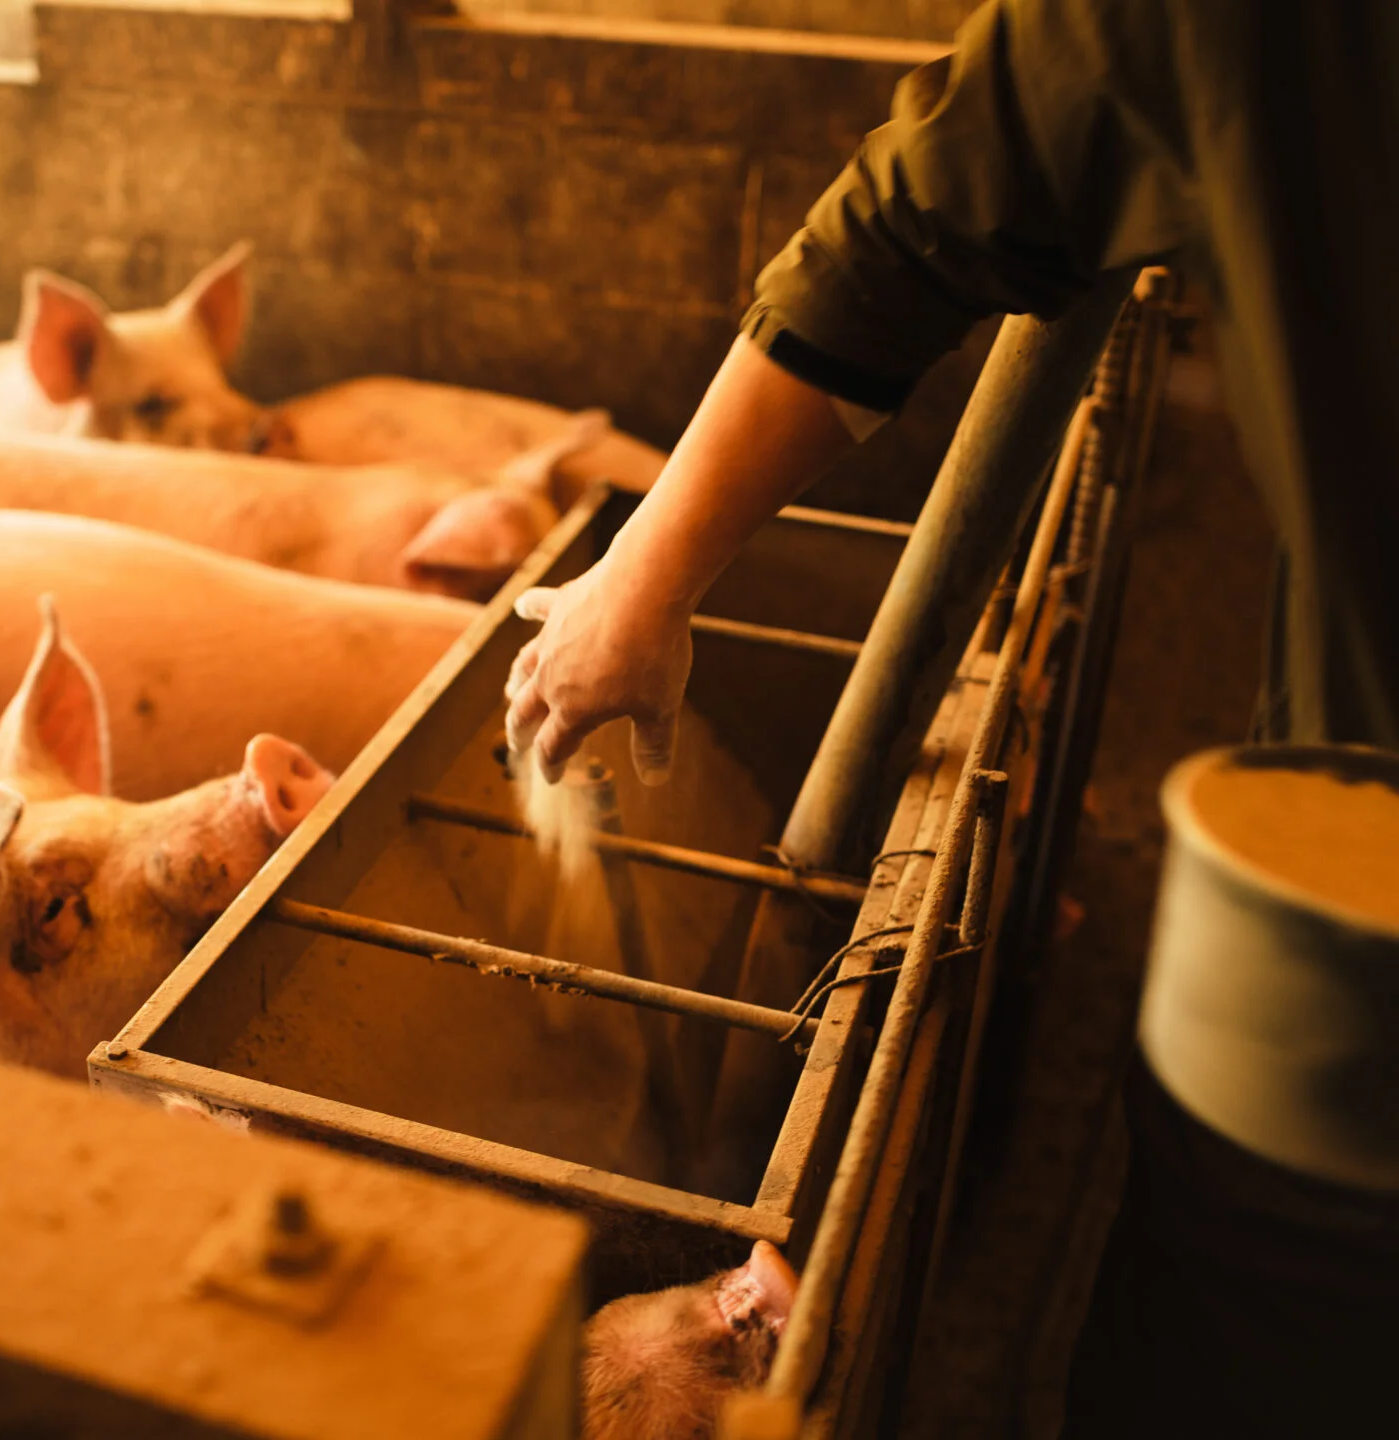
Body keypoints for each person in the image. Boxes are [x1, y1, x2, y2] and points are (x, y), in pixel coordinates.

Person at [503, 2, 1399, 1433]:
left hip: (1345, 886)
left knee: (1250, 1322)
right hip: (1344, 839)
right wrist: (648, 568)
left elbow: (932, 199)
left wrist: (650, 564)